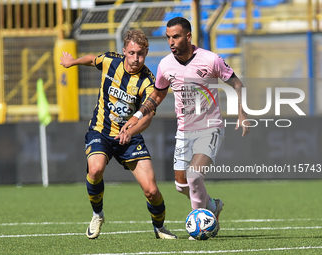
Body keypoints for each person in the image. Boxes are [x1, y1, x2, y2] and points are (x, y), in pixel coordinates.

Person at [121, 17, 250, 238]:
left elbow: (237, 83)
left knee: (193, 176)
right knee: (182, 186)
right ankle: (212, 206)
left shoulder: (211, 60)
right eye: (168, 37)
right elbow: (159, 94)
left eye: (176, 36)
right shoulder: (165, 65)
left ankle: (200, 226)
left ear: (188, 36)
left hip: (210, 128)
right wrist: (139, 114)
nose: (171, 41)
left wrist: (242, 112)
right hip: (184, 131)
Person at [60, 29, 177, 240]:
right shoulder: (110, 61)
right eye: (131, 53)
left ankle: (159, 228)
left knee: (151, 190)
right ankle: (97, 214)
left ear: (147, 52)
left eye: (140, 53)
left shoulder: (149, 82)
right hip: (100, 130)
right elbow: (92, 60)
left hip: (130, 137)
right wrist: (73, 62)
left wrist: (131, 131)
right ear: (124, 51)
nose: (135, 58)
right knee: (95, 170)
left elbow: (147, 117)